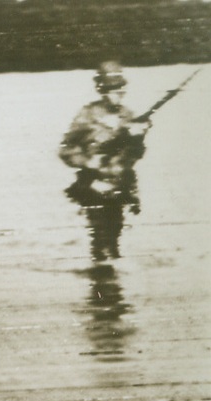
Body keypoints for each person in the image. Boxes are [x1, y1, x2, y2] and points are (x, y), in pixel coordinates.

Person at [59, 61, 149, 261]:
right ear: (103, 90)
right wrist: (87, 161)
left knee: (115, 231)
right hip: (93, 183)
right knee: (100, 235)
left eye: (121, 90)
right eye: (113, 90)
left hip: (119, 182)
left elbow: (136, 154)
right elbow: (65, 149)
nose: (118, 94)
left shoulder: (128, 116)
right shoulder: (88, 115)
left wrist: (138, 136)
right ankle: (100, 271)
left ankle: (110, 280)